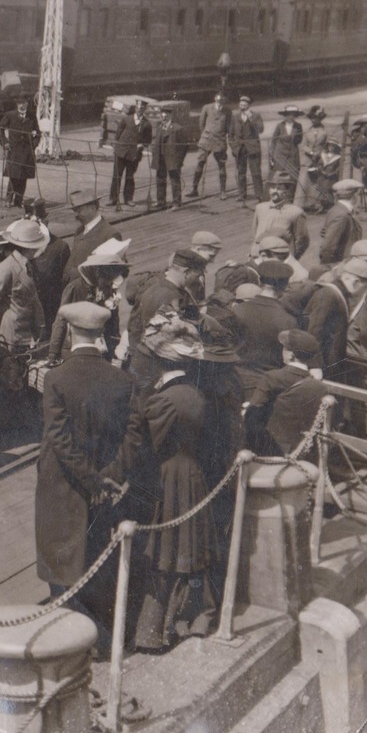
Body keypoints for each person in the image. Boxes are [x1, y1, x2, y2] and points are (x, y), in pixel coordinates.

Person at [36, 301, 136, 637]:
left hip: (64, 484)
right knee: (97, 558)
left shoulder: (56, 378)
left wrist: (91, 480)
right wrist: (109, 475)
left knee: (62, 561)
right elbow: (130, 436)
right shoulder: (122, 380)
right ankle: (97, 636)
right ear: (101, 335)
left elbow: (59, 439)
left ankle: (64, 636)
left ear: (69, 331)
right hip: (106, 485)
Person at [122, 313, 217, 650]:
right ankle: (193, 618)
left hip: (171, 478)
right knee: (185, 549)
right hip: (190, 474)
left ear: (159, 362)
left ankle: (156, 631)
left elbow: (145, 446)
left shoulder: (165, 400)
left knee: (165, 552)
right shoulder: (190, 393)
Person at [244, 329, 330, 457]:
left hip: (270, 448)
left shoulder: (272, 378)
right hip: (304, 449)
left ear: (291, 355)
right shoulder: (320, 387)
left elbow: (252, 415)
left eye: (284, 348)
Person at [126, 250, 207, 386]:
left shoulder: (155, 287)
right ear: (186, 272)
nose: (197, 280)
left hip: (142, 359)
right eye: (197, 275)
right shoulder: (172, 298)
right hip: (157, 367)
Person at [49, 242, 130, 361]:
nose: (109, 283)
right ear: (97, 273)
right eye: (107, 279)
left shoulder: (108, 288)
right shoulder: (75, 288)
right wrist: (53, 352)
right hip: (74, 346)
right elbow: (60, 321)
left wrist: (115, 344)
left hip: (101, 347)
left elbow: (113, 320)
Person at [230, 259, 299, 395]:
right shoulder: (287, 320)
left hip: (235, 381)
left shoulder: (237, 311)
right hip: (265, 387)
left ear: (260, 282)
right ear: (283, 286)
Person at [0, 218, 49, 358]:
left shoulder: (28, 265)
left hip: (28, 331)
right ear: (29, 247)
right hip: (12, 335)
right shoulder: (5, 268)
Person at [26, 200, 68, 337]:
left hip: (50, 310)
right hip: (26, 313)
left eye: (39, 221)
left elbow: (66, 282)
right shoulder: (19, 245)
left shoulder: (60, 247)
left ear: (47, 221)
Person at [64, 189, 121, 279]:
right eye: (74, 210)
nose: (76, 215)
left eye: (79, 210)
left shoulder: (110, 234)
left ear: (93, 207)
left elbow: (113, 273)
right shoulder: (79, 232)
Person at [253, 172, 311, 259]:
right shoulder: (260, 208)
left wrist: (292, 258)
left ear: (286, 191)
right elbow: (255, 233)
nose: (274, 191)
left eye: (279, 188)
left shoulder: (296, 212)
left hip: (281, 259)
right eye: (272, 188)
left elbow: (302, 240)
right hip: (258, 256)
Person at [0, 95, 40, 208]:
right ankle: (8, 200)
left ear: (27, 103)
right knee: (13, 176)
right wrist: (5, 142)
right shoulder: (10, 115)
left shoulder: (32, 116)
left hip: (27, 152)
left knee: (23, 177)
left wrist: (34, 144)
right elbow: (0, 128)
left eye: (24, 103)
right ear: (17, 104)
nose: (21, 105)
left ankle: (18, 201)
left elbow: (38, 133)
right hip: (14, 151)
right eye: (19, 103)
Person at [107, 102, 151, 208]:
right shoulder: (127, 119)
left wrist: (142, 145)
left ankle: (128, 199)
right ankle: (113, 199)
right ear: (135, 108)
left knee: (130, 177)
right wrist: (119, 144)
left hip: (134, 154)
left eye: (142, 108)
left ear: (145, 109)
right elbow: (118, 133)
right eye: (138, 107)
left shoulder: (147, 124)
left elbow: (148, 140)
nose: (139, 109)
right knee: (116, 176)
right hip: (121, 152)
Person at [189, 92, 231, 198]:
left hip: (220, 141)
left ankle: (223, 191)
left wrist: (223, 137)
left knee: (221, 165)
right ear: (214, 99)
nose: (219, 102)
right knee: (200, 163)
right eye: (218, 100)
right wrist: (206, 134)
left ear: (224, 100)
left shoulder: (228, 111)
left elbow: (229, 127)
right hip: (206, 140)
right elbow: (201, 123)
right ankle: (194, 189)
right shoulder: (207, 108)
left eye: (222, 101)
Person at [228, 95, 265, 206]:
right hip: (239, 148)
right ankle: (241, 194)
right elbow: (230, 134)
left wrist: (250, 119)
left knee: (256, 172)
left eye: (245, 104)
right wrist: (234, 147)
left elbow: (260, 129)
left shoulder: (256, 116)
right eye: (241, 103)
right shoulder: (235, 117)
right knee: (241, 173)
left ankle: (259, 194)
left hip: (252, 148)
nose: (242, 105)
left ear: (249, 105)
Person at [318, 177, 364, 266]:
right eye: (359, 194)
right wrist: (331, 267)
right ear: (354, 195)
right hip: (341, 264)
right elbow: (327, 247)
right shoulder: (342, 214)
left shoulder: (337, 209)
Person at [152, 106, 190, 210]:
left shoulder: (177, 128)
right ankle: (161, 201)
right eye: (162, 116)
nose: (163, 118)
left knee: (175, 180)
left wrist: (179, 160)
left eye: (166, 116)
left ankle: (177, 203)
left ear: (170, 116)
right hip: (160, 158)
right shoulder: (159, 127)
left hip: (173, 160)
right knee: (160, 180)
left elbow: (184, 146)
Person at [296, 105, 331, 212]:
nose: (313, 120)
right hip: (307, 159)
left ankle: (316, 205)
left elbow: (328, 145)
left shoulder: (325, 131)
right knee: (303, 180)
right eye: (312, 118)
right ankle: (300, 205)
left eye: (316, 118)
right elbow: (303, 145)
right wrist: (311, 152)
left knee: (317, 182)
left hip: (319, 160)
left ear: (320, 119)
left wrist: (320, 153)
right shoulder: (307, 131)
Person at [268, 105, 305, 192]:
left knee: (292, 177)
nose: (291, 116)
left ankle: (290, 197)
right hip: (280, 156)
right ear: (285, 115)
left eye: (293, 114)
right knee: (279, 177)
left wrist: (295, 138)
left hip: (292, 155)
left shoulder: (298, 126)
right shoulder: (279, 126)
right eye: (289, 114)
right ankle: (278, 196)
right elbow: (274, 141)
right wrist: (271, 156)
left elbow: (299, 140)